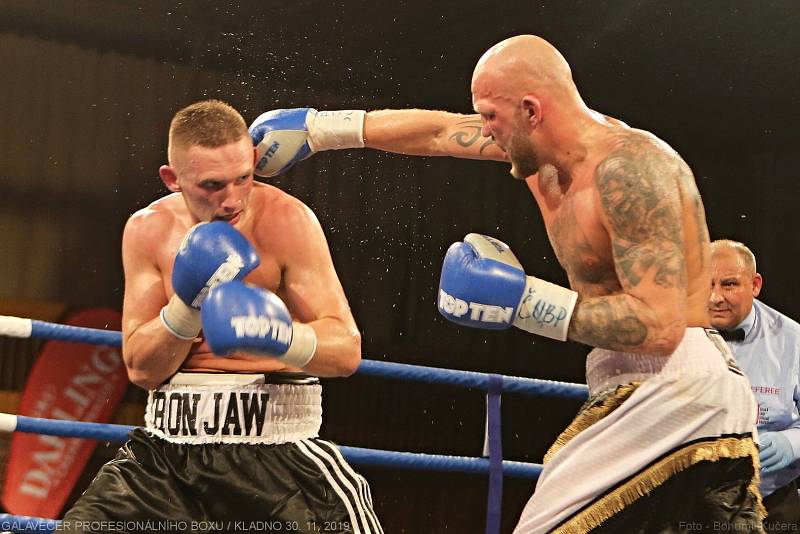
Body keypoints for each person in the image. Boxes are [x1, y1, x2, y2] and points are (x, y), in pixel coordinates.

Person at [250, 35, 764, 532]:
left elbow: (662, 327)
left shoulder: (628, 173)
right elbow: (436, 131)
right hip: (664, 389)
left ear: (532, 110)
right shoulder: (542, 154)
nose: (484, 129)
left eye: (492, 117)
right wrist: (323, 130)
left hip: (674, 388)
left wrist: (525, 302)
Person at [61, 100, 383, 534]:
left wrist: (281, 337)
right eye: (212, 185)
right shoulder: (147, 229)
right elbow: (141, 368)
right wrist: (188, 305)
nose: (232, 200)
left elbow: (346, 351)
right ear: (172, 180)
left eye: (243, 178)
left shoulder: (287, 220)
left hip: (276, 455)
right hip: (166, 455)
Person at [709, 239, 800, 531]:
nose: (715, 297)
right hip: (691, 497)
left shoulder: (793, 341)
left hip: (772, 502)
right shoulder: (675, 337)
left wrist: (791, 443)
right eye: (707, 284)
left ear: (755, 285)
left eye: (729, 284)